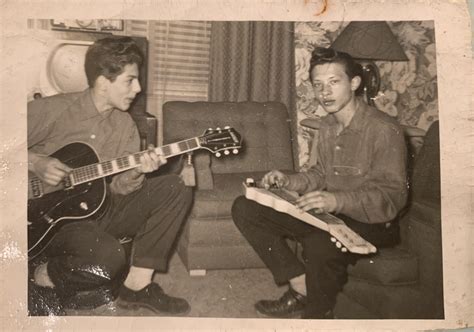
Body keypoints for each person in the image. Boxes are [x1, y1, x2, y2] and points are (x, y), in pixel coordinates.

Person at [232, 47, 408, 319]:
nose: (324, 92)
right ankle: (300, 285)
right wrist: (286, 179)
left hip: (372, 222)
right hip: (330, 215)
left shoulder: (385, 130)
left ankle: (317, 315)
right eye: (318, 85)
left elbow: (392, 196)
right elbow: (318, 175)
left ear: (354, 83)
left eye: (334, 82)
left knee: (318, 242)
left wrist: (337, 200)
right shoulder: (326, 126)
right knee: (245, 207)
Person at [28, 36, 192, 315]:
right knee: (107, 259)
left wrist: (137, 172)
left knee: (175, 186)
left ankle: (136, 286)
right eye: (130, 80)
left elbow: (117, 189)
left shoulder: (124, 125)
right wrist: (35, 161)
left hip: (98, 210)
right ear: (104, 83)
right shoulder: (52, 109)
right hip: (45, 219)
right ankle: (37, 276)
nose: (138, 89)